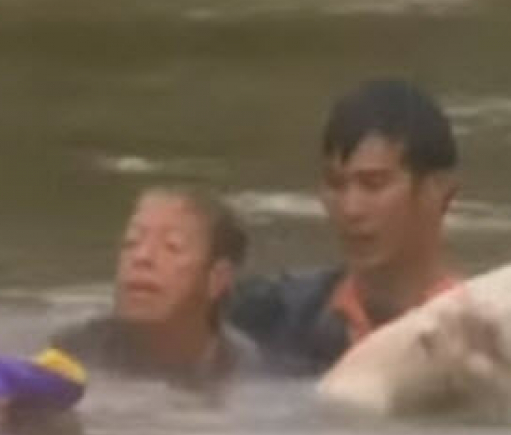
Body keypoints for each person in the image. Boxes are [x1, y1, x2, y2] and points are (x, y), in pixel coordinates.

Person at [227, 78, 461, 375]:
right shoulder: (271, 316)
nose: (350, 209)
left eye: (374, 184)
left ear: (437, 193)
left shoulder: (488, 340)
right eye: (336, 184)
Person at [50, 186, 259, 388]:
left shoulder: (248, 373)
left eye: (172, 247)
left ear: (217, 279)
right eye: (131, 243)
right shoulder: (74, 353)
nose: (142, 257)